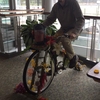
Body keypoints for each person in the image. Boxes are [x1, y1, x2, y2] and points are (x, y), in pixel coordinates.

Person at [43, 0, 85, 68]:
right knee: (52, 41)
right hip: (63, 29)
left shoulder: (73, 2)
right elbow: (50, 19)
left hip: (74, 29)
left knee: (64, 39)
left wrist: (75, 32)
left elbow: (81, 19)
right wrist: (42, 26)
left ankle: (73, 58)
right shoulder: (56, 6)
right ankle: (53, 64)